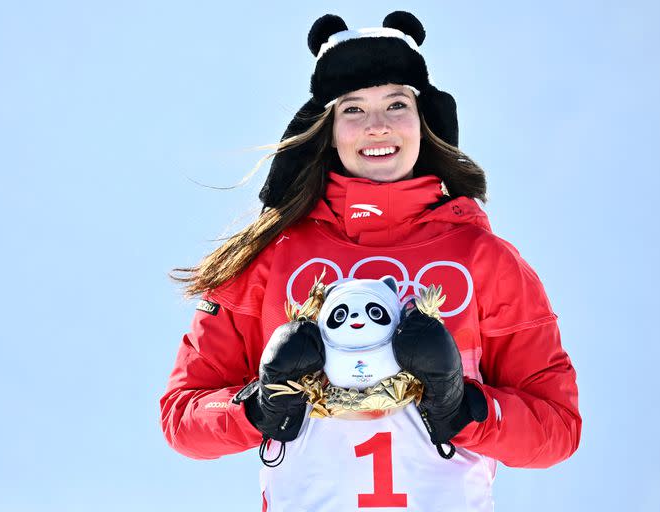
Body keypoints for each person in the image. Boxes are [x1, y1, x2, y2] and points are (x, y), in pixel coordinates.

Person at [161, 11, 581, 511]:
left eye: (396, 104)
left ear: (424, 121)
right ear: (329, 130)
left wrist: (462, 407)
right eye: (353, 110)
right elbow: (182, 418)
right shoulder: (272, 259)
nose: (376, 126)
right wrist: (261, 404)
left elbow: (557, 427)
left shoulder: (485, 261)